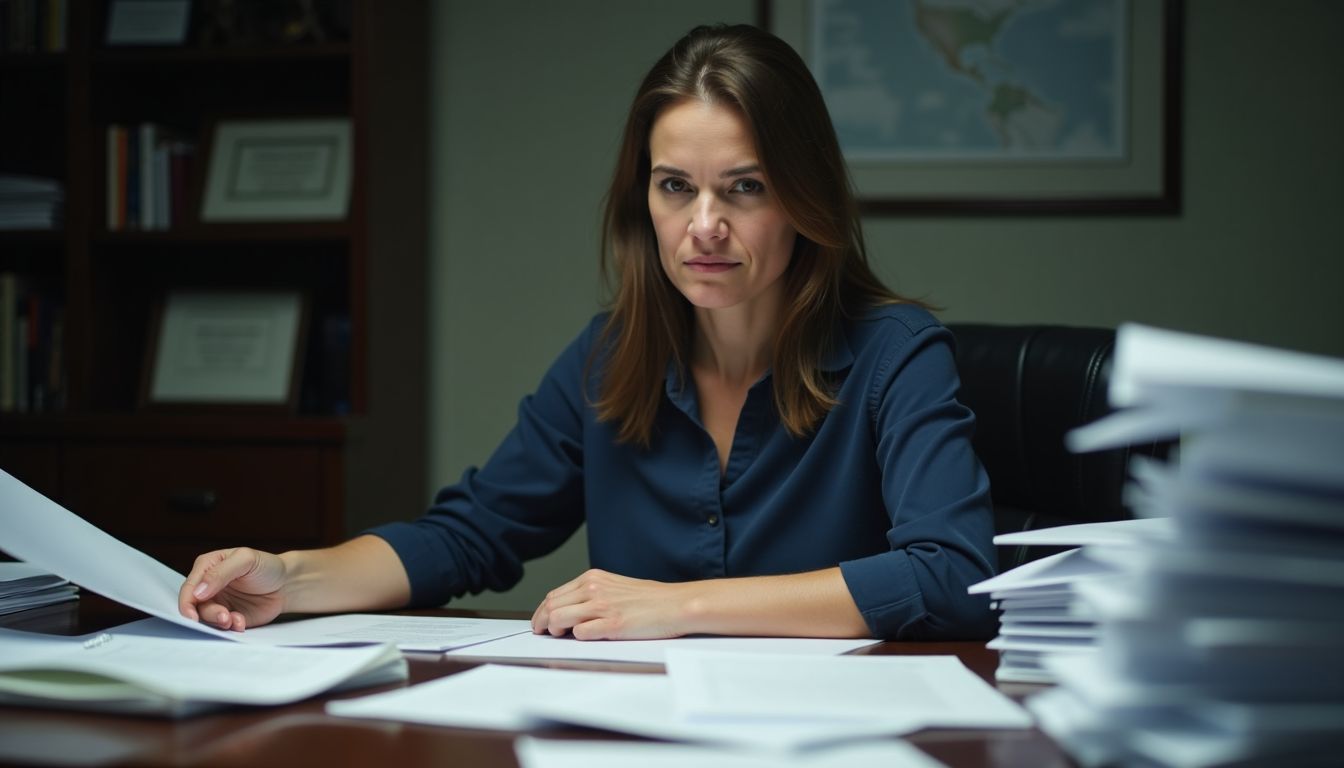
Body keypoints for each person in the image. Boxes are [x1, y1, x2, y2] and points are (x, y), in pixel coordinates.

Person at [179, 23, 998, 642]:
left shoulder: (898, 353)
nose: (703, 226)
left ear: (803, 199)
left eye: (744, 188)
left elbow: (952, 575)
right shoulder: (609, 357)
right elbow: (468, 536)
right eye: (676, 186)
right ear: (643, 199)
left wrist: (680, 607)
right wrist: (290, 575)